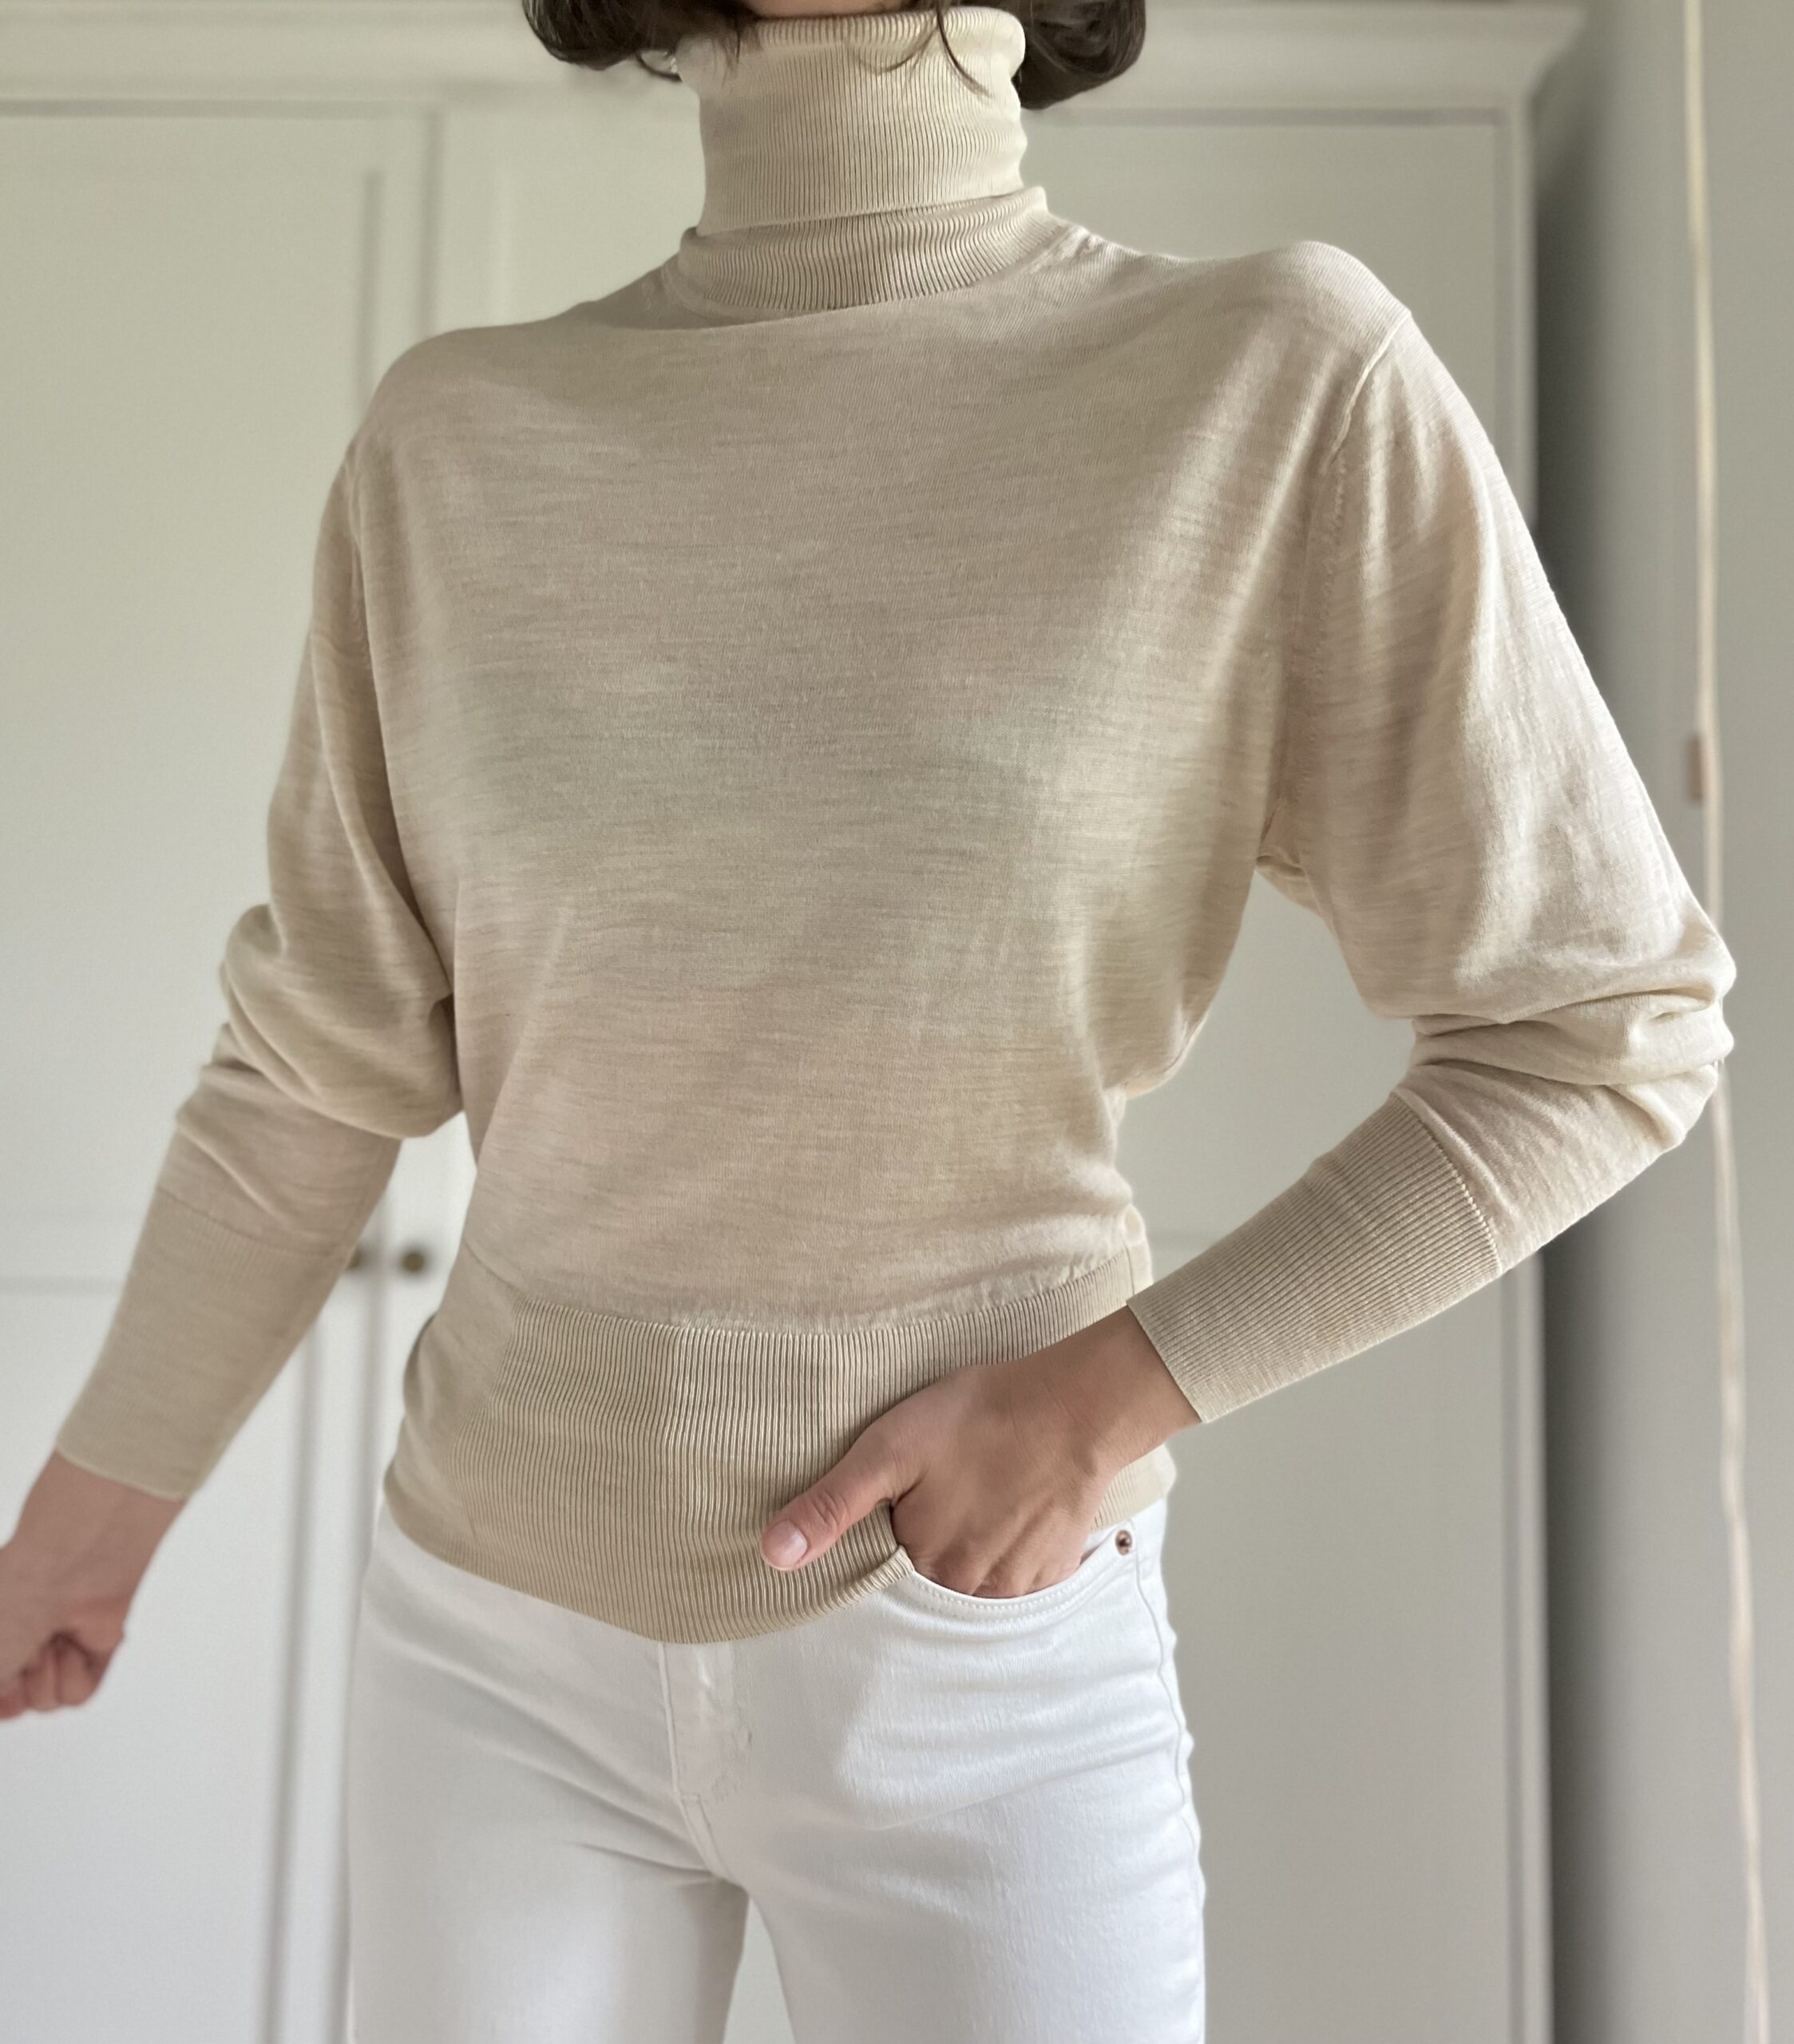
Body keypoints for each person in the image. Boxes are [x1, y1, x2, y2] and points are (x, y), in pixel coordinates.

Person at [0, 2, 1737, 2038]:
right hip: (487, 1636)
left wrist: (1100, 1399)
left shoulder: (1267, 375)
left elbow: (1598, 1025)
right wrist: (81, 1528)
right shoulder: (453, 439)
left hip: (972, 1643)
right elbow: (311, 1066)